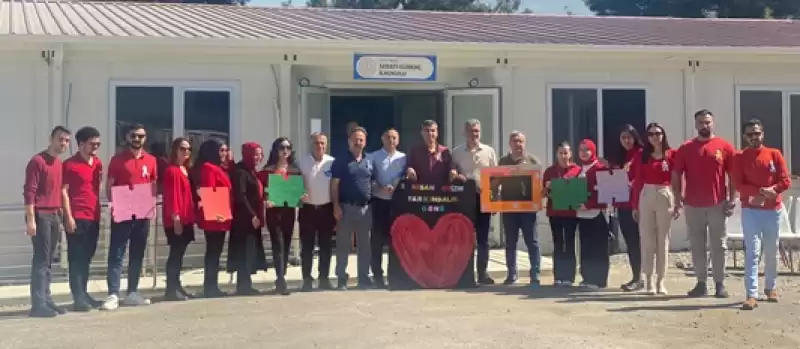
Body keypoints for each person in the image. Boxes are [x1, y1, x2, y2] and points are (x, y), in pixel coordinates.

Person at [673, 109, 736, 298]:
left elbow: (732, 175)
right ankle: (701, 283)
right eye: (701, 122)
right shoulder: (685, 148)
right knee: (697, 245)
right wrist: (678, 198)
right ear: (695, 124)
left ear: (713, 123)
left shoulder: (724, 146)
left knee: (719, 245)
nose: (704, 126)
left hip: (717, 203)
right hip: (693, 205)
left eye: (707, 122)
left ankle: (719, 283)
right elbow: (676, 174)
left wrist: (732, 199)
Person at [732, 119, 791, 310]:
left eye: (756, 133)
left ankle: (771, 287)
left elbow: (785, 180)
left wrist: (772, 190)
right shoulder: (740, 156)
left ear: (762, 134)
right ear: (744, 136)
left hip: (772, 211)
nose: (753, 137)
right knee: (753, 252)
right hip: (751, 211)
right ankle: (751, 294)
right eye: (749, 134)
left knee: (771, 250)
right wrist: (758, 193)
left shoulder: (774, 154)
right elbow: (738, 183)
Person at [102, 124, 157, 310]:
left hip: (142, 213)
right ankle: (113, 294)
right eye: (134, 135)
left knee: (137, 253)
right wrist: (114, 203)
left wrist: (151, 204)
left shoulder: (150, 160)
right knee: (116, 253)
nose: (137, 139)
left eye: (141, 136)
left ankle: (132, 292)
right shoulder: (117, 160)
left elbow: (153, 183)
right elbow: (109, 185)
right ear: (127, 137)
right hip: (123, 212)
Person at [24, 126, 70, 317]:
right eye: (61, 139)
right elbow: (29, 191)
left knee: (49, 260)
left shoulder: (59, 164)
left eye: (67, 141)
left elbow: (60, 191)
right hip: (40, 214)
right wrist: (31, 219)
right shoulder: (37, 161)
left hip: (54, 214)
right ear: (51, 138)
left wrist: (64, 215)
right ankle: (38, 304)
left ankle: (47, 299)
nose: (64, 144)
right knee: (41, 260)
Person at [631, 123, 678, 295]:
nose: (654, 137)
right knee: (647, 240)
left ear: (663, 135)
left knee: (663, 240)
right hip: (647, 193)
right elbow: (637, 181)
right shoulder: (642, 155)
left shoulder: (672, 155)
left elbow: (678, 180)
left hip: (665, 193)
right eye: (650, 134)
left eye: (657, 133)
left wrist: (678, 202)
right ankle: (648, 279)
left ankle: (661, 280)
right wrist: (634, 204)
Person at [61, 126, 103, 312]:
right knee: (76, 258)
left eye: (97, 144)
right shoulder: (70, 164)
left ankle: (84, 294)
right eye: (92, 144)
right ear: (81, 144)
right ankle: (77, 297)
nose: (95, 147)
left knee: (87, 257)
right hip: (77, 216)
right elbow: (63, 191)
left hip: (93, 216)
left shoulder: (98, 164)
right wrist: (68, 217)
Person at [452, 119, 498, 285]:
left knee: (483, 239)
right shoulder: (456, 152)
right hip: (464, 200)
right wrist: (457, 175)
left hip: (484, 199)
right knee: (464, 238)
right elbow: (452, 173)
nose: (474, 134)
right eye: (471, 131)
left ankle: (483, 273)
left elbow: (496, 178)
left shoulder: (489, 151)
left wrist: (495, 200)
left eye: (477, 131)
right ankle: (464, 274)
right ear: (464, 133)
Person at [331, 126, 375, 290]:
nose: (358, 142)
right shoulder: (341, 160)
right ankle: (342, 278)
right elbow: (334, 185)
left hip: (365, 209)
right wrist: (335, 206)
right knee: (343, 245)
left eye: (361, 140)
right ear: (349, 142)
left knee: (365, 245)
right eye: (355, 140)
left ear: (365, 142)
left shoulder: (369, 160)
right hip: (346, 208)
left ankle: (363, 277)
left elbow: (373, 182)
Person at [497, 131, 542, 286]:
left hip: (528, 210)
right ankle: (511, 274)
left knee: (532, 242)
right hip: (508, 209)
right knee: (510, 242)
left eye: (521, 141)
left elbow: (539, 185)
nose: (518, 144)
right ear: (510, 143)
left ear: (525, 143)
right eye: (515, 141)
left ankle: (535, 275)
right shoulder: (503, 161)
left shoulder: (533, 160)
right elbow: (495, 182)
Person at [259, 137, 301, 296]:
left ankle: (282, 275)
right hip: (273, 212)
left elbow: (299, 190)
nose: (285, 151)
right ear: (275, 150)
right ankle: (280, 279)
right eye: (282, 148)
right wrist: (265, 199)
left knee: (287, 243)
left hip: (289, 211)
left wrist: (301, 195)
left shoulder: (295, 170)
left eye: (288, 148)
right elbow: (261, 190)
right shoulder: (268, 170)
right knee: (278, 244)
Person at [228, 142, 269, 295]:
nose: (259, 157)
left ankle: (245, 284)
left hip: (252, 219)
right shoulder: (241, 172)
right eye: (256, 154)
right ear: (248, 154)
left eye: (260, 154)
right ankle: (243, 286)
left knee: (249, 251)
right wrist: (252, 215)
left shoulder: (251, 171)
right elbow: (240, 195)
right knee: (244, 251)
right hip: (244, 220)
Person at [193, 139, 232, 298]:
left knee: (215, 252)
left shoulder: (219, 168)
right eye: (221, 150)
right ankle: (210, 286)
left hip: (220, 214)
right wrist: (217, 214)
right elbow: (210, 190)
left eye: (225, 150)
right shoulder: (209, 168)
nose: (224, 154)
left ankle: (212, 284)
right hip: (216, 216)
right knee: (213, 252)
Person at [297, 132, 336, 291]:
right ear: (311, 144)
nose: (319, 146)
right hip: (308, 210)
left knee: (326, 246)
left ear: (326, 145)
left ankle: (324, 278)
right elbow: (296, 185)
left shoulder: (332, 162)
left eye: (322, 143)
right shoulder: (302, 163)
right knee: (307, 247)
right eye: (316, 143)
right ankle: (306, 279)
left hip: (326, 209)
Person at [368, 128, 406, 289]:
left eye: (394, 138)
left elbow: (406, 175)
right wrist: (378, 186)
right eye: (388, 137)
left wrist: (400, 180)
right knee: (376, 242)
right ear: (382, 139)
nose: (391, 140)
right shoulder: (373, 156)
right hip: (379, 202)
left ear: (398, 140)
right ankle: (377, 275)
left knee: (395, 241)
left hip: (396, 204)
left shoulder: (403, 158)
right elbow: (368, 177)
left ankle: (394, 276)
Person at [162, 137, 196, 301]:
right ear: (175, 150)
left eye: (188, 149)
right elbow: (172, 196)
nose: (186, 152)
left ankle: (177, 285)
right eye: (182, 149)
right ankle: (171, 288)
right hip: (177, 219)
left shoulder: (184, 169)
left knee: (179, 254)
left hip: (186, 217)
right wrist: (176, 218)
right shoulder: (173, 170)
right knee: (175, 254)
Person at [543, 142, 582, 287]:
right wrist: (547, 188)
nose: (563, 156)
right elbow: (542, 193)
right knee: (558, 244)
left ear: (570, 154)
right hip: (555, 212)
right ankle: (558, 276)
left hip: (571, 213)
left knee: (570, 244)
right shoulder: (549, 171)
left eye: (566, 153)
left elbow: (581, 191)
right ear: (556, 155)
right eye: (561, 153)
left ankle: (569, 277)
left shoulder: (577, 170)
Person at [612, 124, 644, 292]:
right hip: (623, 205)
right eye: (623, 137)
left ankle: (647, 278)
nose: (626, 140)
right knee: (631, 242)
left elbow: (643, 176)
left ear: (635, 137)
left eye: (629, 137)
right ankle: (637, 277)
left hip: (640, 204)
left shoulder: (642, 154)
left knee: (644, 242)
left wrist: (631, 183)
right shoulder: (618, 157)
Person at [575, 139, 610, 289]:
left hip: (597, 214)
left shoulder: (600, 169)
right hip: (582, 215)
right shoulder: (578, 170)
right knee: (585, 247)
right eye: (581, 150)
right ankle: (587, 278)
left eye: (586, 150)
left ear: (593, 151)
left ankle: (599, 280)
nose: (583, 153)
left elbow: (604, 193)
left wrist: (588, 205)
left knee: (598, 248)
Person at [406, 120, 457, 185]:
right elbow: (408, 166)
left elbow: (451, 168)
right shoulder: (414, 151)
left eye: (433, 130)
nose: (430, 133)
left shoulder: (445, 151)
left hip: (440, 192)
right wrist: (410, 170)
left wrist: (453, 172)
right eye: (427, 131)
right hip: (420, 191)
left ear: (437, 133)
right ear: (422, 133)